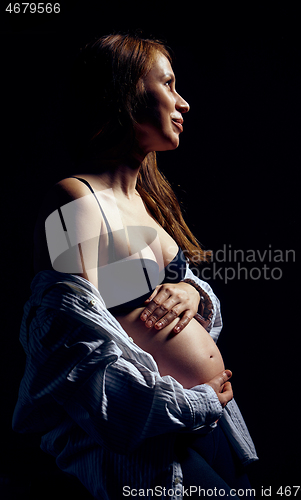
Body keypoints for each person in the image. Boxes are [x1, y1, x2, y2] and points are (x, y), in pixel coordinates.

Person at [12, 33, 258, 499]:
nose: (182, 102)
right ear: (123, 94)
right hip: (153, 443)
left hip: (211, 424)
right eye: (167, 84)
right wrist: (193, 403)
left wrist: (194, 294)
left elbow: (149, 309)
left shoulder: (146, 207)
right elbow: (69, 357)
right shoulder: (76, 200)